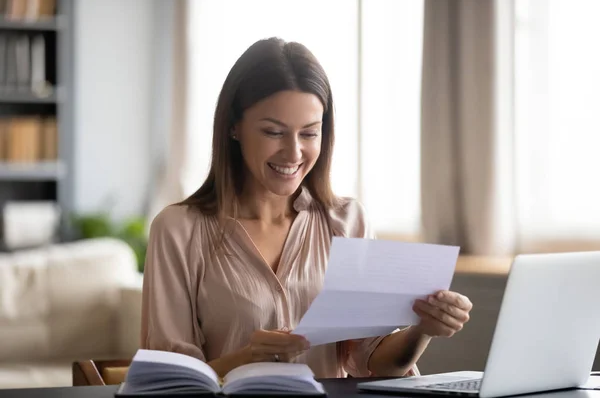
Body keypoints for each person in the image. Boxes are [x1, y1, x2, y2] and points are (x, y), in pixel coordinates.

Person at [140, 37, 473, 379]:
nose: (294, 153)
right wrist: (248, 357)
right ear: (233, 127)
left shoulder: (348, 222)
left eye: (310, 134)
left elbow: (374, 362)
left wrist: (423, 328)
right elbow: (172, 381)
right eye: (274, 132)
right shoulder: (178, 230)